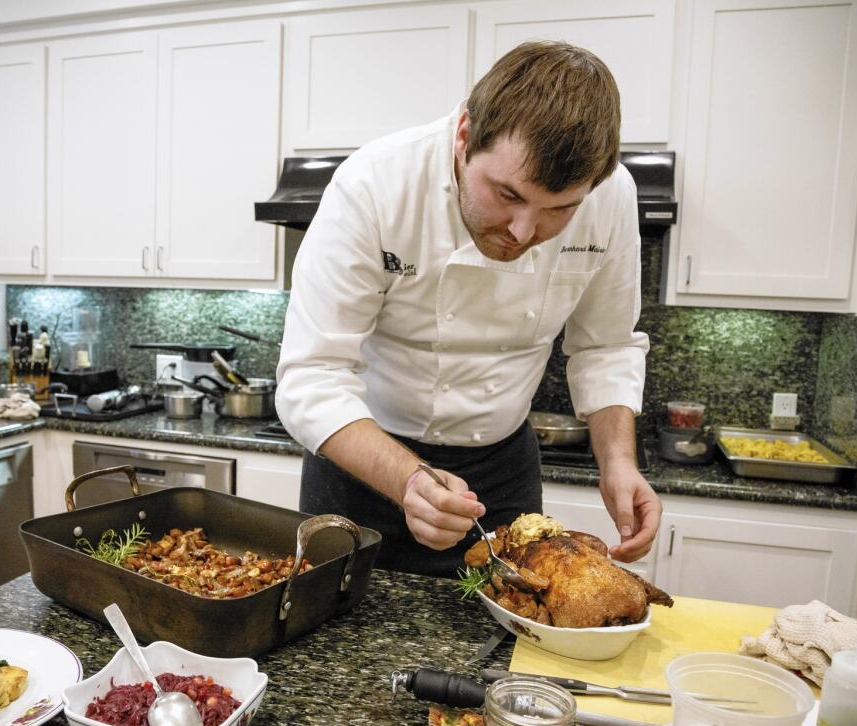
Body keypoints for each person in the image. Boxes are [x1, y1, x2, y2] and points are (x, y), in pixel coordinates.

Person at [275, 41, 661, 577]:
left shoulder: (613, 197)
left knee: (511, 645)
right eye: (507, 195)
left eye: (560, 210)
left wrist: (618, 462)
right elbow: (311, 376)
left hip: (502, 475)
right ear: (463, 136)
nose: (525, 232)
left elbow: (606, 344)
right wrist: (410, 480)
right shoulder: (375, 186)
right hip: (360, 467)